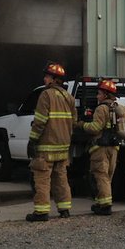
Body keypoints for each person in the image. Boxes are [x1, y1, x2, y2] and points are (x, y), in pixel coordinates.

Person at [25, 62, 77, 222]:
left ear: (54, 79)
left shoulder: (46, 95)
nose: (44, 78)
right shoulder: (68, 97)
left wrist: (32, 140)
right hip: (63, 148)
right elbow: (74, 121)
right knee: (61, 178)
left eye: (47, 76)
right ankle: (65, 209)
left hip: (46, 147)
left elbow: (40, 121)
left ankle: (41, 212)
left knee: (42, 178)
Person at [82, 79, 121, 215]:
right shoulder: (117, 107)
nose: (97, 96)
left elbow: (95, 128)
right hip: (114, 148)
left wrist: (82, 125)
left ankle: (105, 206)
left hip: (101, 148)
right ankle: (100, 202)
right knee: (107, 176)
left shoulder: (101, 108)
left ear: (105, 95)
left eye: (99, 94)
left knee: (101, 176)